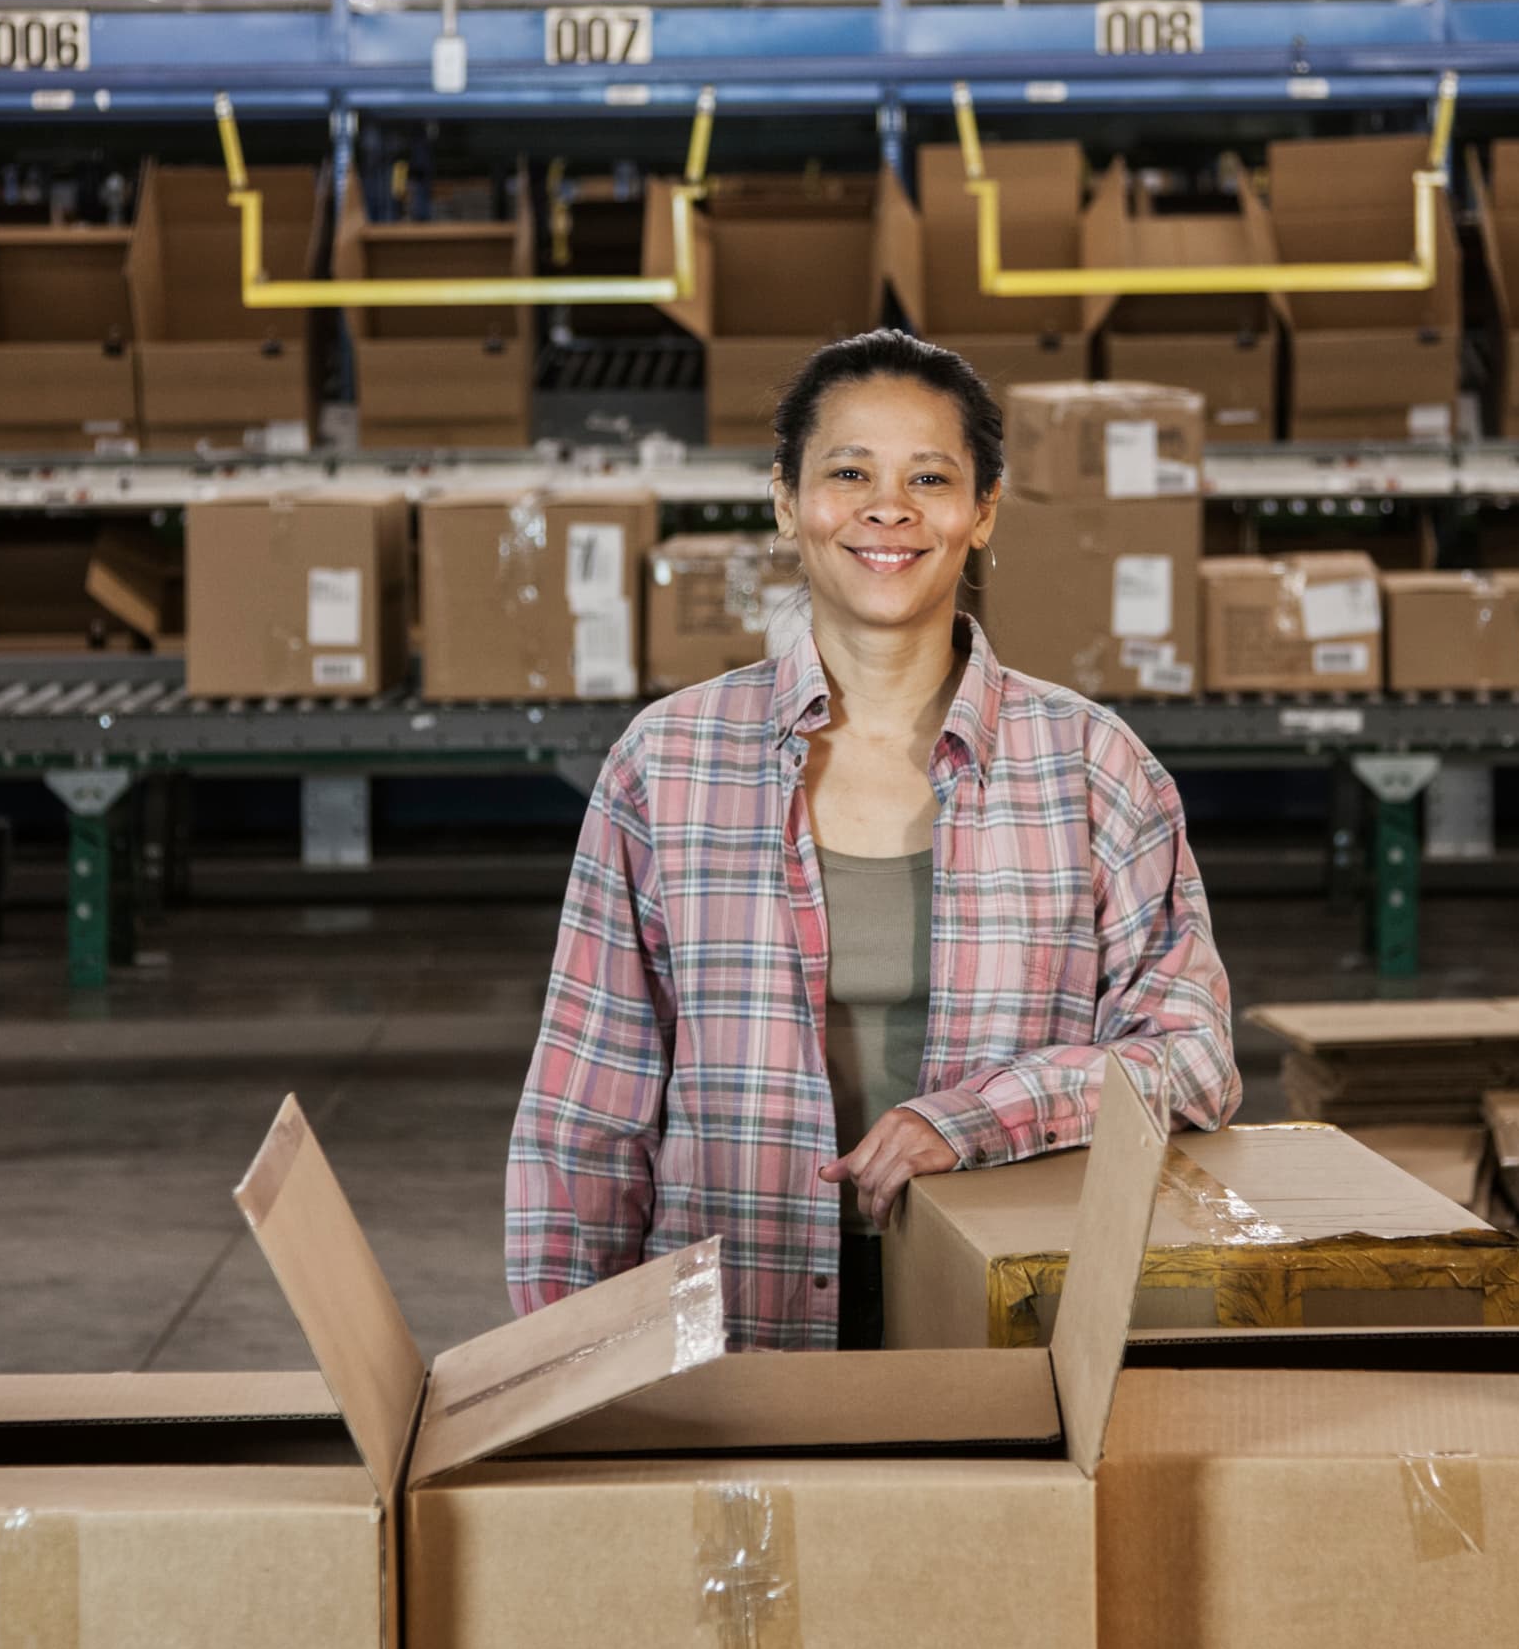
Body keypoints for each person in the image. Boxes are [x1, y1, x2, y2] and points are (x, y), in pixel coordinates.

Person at [505, 327, 1240, 1351]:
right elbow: (587, 1109)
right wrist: (560, 1362)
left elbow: (1192, 1056)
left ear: (983, 511)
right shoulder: (668, 765)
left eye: (929, 478)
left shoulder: (1091, 766)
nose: (888, 508)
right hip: (734, 1330)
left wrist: (973, 1119)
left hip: (1007, 1325)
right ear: (786, 500)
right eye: (849, 472)